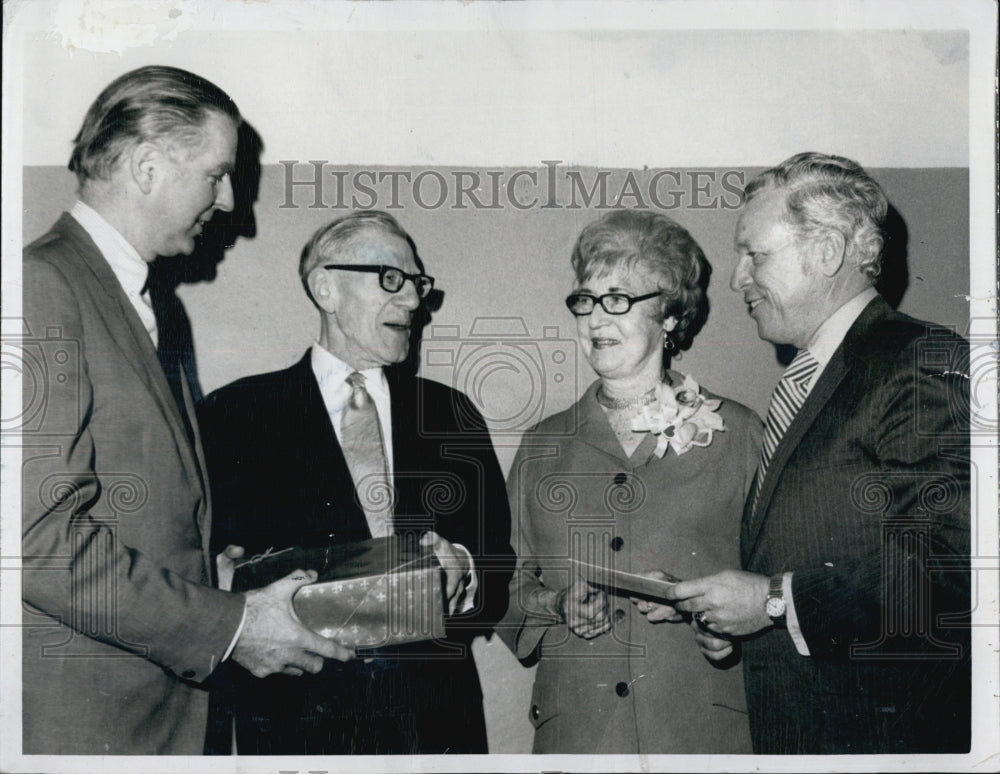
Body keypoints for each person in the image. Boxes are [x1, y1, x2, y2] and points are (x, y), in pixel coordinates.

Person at [20, 65, 351, 755]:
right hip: (88, 725)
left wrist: (220, 578)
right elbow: (35, 543)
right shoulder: (41, 285)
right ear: (146, 166)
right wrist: (227, 626)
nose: (230, 202)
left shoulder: (151, 307)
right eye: (216, 174)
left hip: (148, 718)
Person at [666, 152, 971, 754]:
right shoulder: (812, 379)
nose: (736, 279)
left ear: (828, 252)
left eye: (756, 255)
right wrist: (742, 617)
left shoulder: (921, 360)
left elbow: (949, 565)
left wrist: (775, 601)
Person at [197, 210, 515, 754]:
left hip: (434, 729)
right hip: (296, 729)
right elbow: (200, 567)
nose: (413, 301)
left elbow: (496, 560)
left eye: (417, 285)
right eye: (391, 279)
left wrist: (461, 569)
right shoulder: (233, 415)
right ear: (326, 287)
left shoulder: (451, 414)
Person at [495, 210, 763, 753]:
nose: (596, 319)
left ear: (668, 315)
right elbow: (502, 584)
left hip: (702, 733)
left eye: (618, 299)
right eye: (585, 300)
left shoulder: (739, 433)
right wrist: (555, 605)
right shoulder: (543, 444)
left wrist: (712, 621)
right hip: (581, 735)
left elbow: (779, 585)